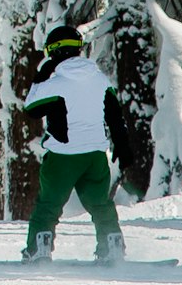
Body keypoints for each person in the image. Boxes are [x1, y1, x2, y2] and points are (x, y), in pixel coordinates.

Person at [17, 24, 126, 263]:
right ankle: (112, 246)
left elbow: (31, 108)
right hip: (96, 154)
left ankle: (39, 249)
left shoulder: (56, 83)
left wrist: (42, 76)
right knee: (100, 204)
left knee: (49, 205)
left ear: (52, 51)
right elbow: (116, 116)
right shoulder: (99, 79)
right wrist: (122, 145)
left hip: (63, 156)